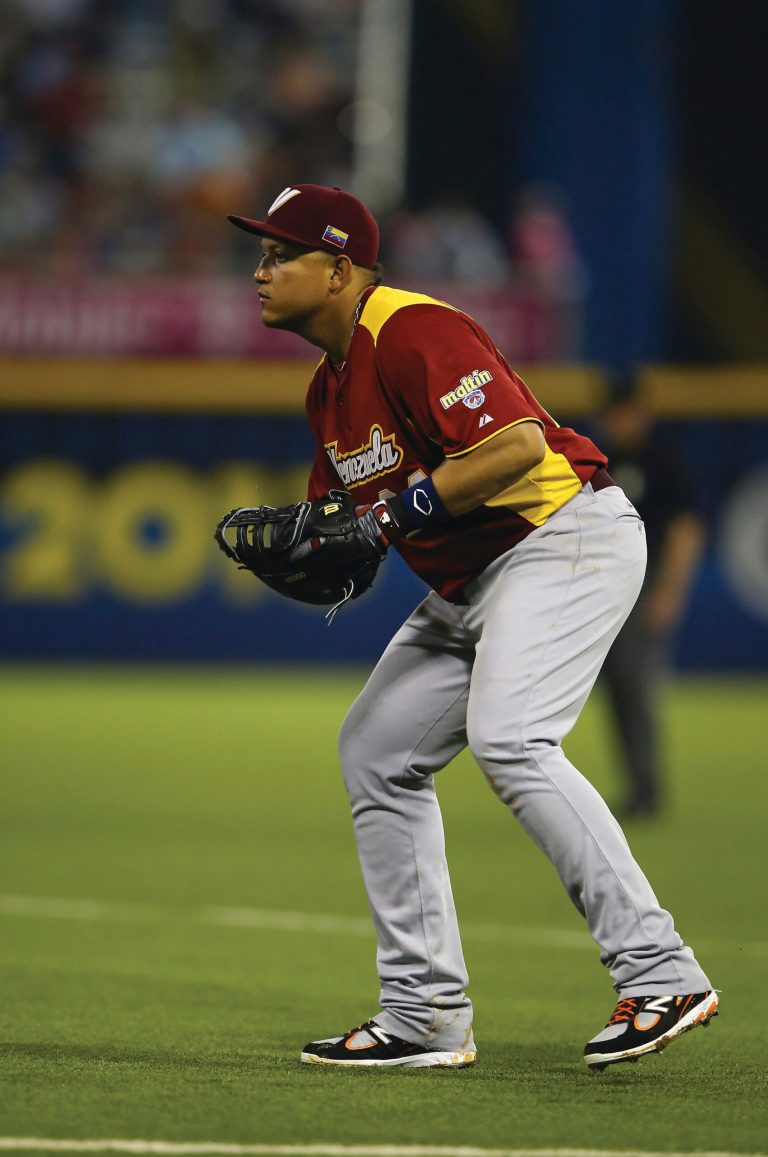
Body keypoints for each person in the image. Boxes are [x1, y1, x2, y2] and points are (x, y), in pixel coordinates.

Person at [227, 184, 719, 1070]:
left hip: (562, 537)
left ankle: (660, 970)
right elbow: (347, 536)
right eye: (259, 253)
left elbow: (519, 449)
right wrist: (314, 552)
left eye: (278, 254)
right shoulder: (326, 393)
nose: (258, 271)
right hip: (472, 582)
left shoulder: (412, 328)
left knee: (512, 738)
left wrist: (382, 519)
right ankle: (425, 1013)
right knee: (376, 749)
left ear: (339, 268)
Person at [597, 378, 707, 819]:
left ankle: (646, 790)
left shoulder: (662, 459)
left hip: (649, 581)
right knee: (618, 685)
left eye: (627, 412)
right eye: (615, 413)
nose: (620, 421)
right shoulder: (603, 456)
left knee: (635, 683)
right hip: (609, 584)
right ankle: (637, 788)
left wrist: (670, 590)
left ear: (642, 413)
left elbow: (686, 528)